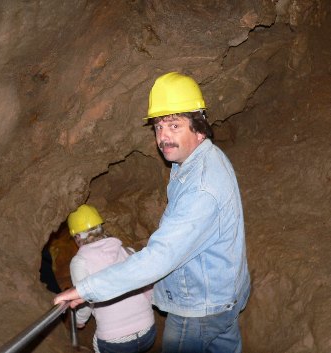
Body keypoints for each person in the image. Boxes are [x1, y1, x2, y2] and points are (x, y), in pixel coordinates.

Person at [55, 72, 250, 353]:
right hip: (223, 293)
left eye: (174, 125)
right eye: (159, 127)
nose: (163, 137)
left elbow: (160, 258)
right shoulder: (200, 160)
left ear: (199, 127)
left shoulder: (201, 189)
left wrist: (87, 289)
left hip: (198, 309)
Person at [66, 204, 156, 353]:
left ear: (76, 236)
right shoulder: (126, 250)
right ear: (100, 227)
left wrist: (79, 321)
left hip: (115, 341)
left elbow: (84, 300)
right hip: (148, 331)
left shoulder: (79, 262)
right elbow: (146, 285)